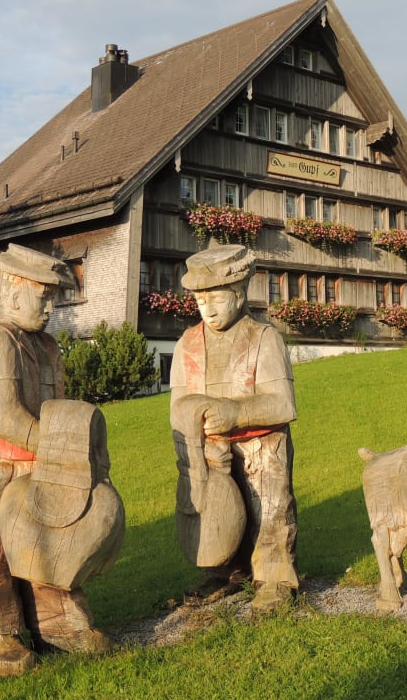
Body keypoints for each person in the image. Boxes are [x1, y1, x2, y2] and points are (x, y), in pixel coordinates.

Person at [0, 243, 112, 676]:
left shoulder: (48, 347)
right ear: (13, 292)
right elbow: (7, 419)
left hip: (35, 458)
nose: (51, 307)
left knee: (44, 539)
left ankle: (56, 625)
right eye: (43, 296)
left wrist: (74, 447)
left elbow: (54, 411)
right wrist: (65, 453)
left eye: (53, 296)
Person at [169, 245, 298, 612]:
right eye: (200, 301)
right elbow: (178, 406)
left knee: (269, 510)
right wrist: (195, 442)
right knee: (215, 511)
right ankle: (224, 571)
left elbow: (283, 404)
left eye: (216, 299)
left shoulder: (264, 338)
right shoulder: (186, 344)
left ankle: (274, 577)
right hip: (209, 449)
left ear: (240, 294)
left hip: (261, 445)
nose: (207, 310)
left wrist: (236, 412)